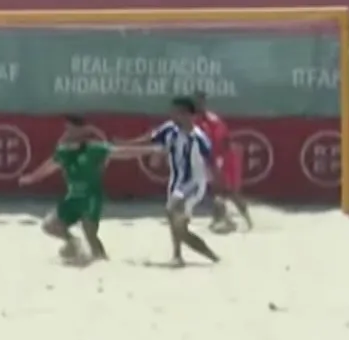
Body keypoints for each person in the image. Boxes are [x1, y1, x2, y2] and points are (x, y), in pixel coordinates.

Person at [17, 115, 151, 263]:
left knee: (90, 234)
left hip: (91, 198)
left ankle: (102, 260)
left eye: (70, 129)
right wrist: (31, 178)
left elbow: (122, 152)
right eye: (66, 129)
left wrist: (151, 150)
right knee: (49, 226)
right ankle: (74, 243)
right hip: (72, 198)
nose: (66, 133)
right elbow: (48, 167)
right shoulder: (63, 152)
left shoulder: (94, 149)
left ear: (81, 131)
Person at [133, 97, 221, 266]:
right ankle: (183, 256)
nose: (171, 115)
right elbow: (149, 140)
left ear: (187, 114)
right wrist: (125, 143)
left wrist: (217, 194)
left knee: (174, 212)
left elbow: (212, 164)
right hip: (176, 183)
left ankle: (185, 256)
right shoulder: (169, 129)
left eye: (175, 112)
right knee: (179, 227)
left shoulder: (199, 138)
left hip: (194, 184)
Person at [193, 92, 251, 231]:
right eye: (196, 102)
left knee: (227, 192)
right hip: (208, 160)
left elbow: (223, 140)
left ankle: (239, 219)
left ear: (204, 102)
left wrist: (219, 161)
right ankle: (222, 219)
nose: (198, 104)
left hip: (218, 159)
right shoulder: (195, 120)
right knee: (218, 192)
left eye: (200, 101)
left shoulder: (212, 121)